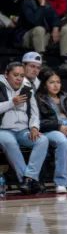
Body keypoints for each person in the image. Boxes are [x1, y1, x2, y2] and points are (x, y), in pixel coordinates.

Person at [0, 62, 48, 195]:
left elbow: (34, 112)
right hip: (3, 129)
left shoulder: (27, 87)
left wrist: (34, 127)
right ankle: (28, 182)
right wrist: (11, 103)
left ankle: (29, 179)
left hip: (22, 130)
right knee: (10, 142)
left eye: (21, 75)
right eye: (15, 75)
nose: (19, 79)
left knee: (42, 140)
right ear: (6, 75)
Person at [16, 0, 67, 70]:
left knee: (65, 29)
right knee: (39, 29)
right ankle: (40, 61)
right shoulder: (26, 3)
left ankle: (66, 61)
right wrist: (42, 5)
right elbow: (35, 21)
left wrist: (55, 29)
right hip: (26, 38)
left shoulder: (48, 5)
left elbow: (55, 17)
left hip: (42, 37)